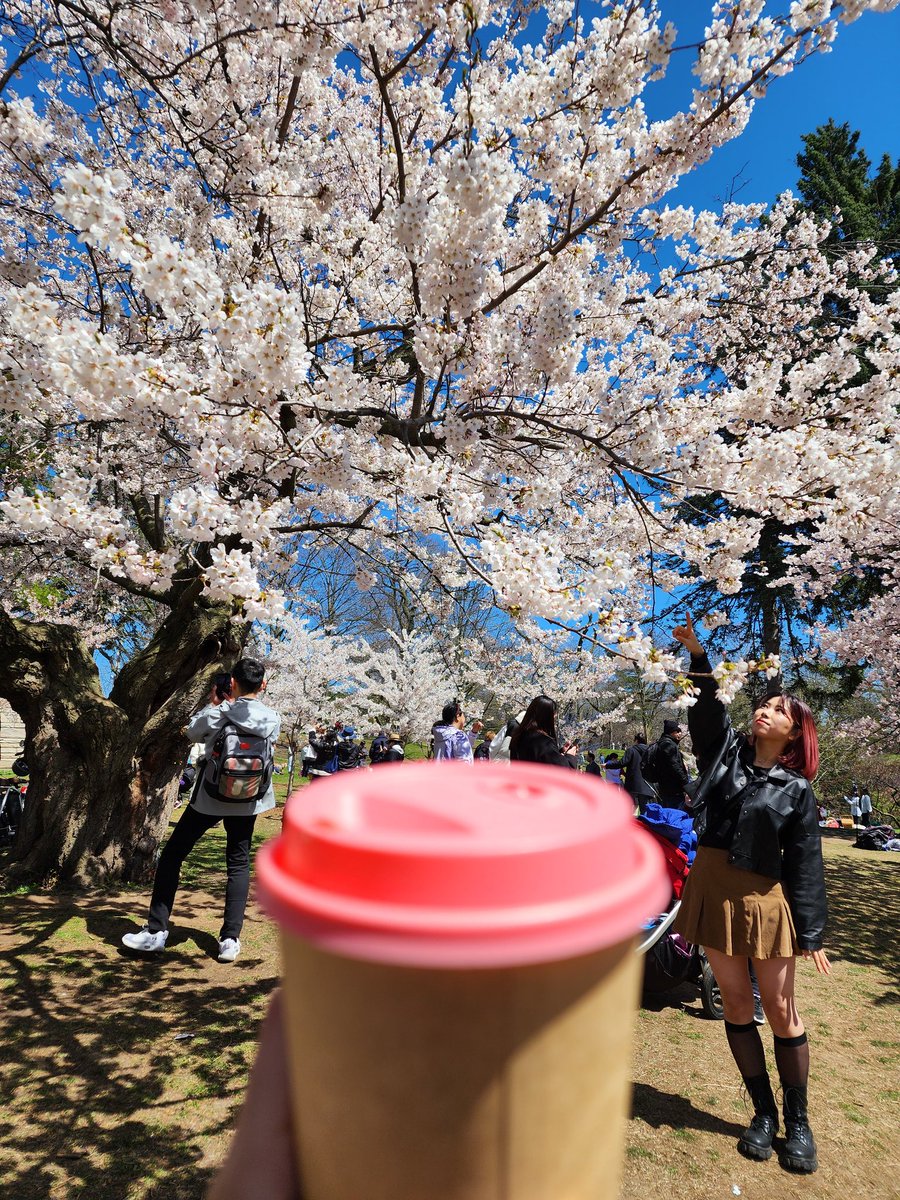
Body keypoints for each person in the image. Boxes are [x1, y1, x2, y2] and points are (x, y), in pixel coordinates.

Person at [671, 613, 829, 1174]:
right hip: (712, 886)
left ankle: (798, 1120)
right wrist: (697, 657)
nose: (765, 709)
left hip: (764, 900)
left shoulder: (797, 791)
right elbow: (706, 711)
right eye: (764, 704)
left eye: (781, 710)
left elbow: (806, 862)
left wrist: (811, 932)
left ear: (795, 732)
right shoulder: (724, 756)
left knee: (781, 1009)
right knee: (736, 1003)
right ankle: (761, 1113)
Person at [122, 658, 281, 964]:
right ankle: (230, 939)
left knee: (173, 855)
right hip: (248, 801)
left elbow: (192, 734)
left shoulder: (219, 712)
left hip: (209, 797)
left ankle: (156, 931)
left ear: (232, 682)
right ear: (263, 685)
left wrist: (218, 706)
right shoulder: (272, 719)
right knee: (238, 862)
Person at [509, 695, 576, 768]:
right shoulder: (543, 741)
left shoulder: (519, 735)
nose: (555, 717)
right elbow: (563, 771)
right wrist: (570, 756)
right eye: (553, 714)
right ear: (547, 716)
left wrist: (559, 752)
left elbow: (539, 758)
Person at [655, 718, 693, 809]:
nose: (680, 734)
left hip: (664, 786)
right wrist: (685, 781)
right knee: (675, 815)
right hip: (673, 788)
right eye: (677, 731)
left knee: (667, 813)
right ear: (671, 732)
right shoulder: (669, 745)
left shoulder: (661, 743)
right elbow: (675, 766)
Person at [622, 732, 654, 813]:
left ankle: (632, 824)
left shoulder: (631, 750)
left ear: (636, 740)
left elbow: (622, 763)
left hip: (633, 784)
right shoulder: (651, 751)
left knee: (630, 808)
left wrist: (608, 765)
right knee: (645, 809)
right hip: (646, 784)